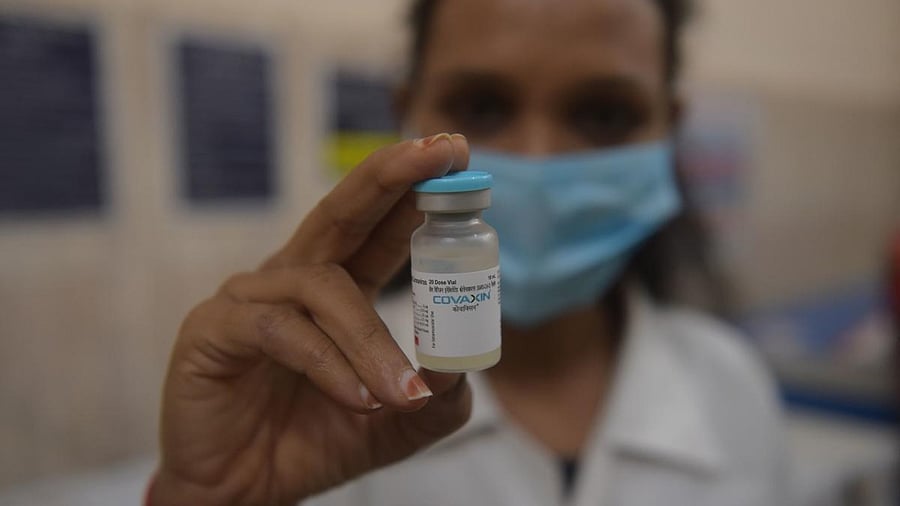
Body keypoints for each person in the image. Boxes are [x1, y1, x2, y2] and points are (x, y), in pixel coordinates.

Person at [149, 0, 788, 504]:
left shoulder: (732, 386)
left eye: (603, 114)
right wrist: (210, 499)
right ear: (407, 114)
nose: (537, 160)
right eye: (483, 106)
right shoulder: (309, 398)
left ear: (669, 128)